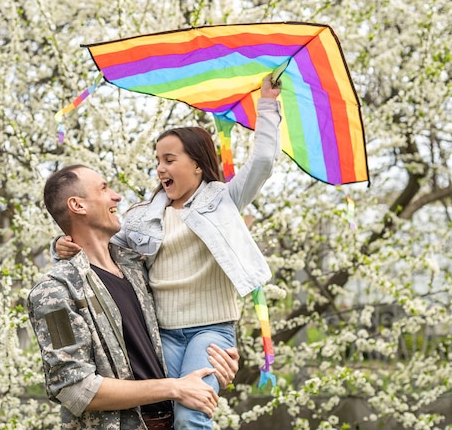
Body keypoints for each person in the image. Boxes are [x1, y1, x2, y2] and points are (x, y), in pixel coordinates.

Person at [57, 75, 282, 429]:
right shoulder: (142, 217)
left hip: (209, 331)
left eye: (170, 159)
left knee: (192, 414)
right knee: (161, 415)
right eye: (157, 160)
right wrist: (61, 246)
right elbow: (98, 244)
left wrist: (268, 103)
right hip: (161, 333)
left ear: (196, 164)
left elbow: (264, 161)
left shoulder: (224, 200)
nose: (160, 168)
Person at [28, 165, 240, 430]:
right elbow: (74, 388)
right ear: (77, 205)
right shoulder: (53, 293)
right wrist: (174, 388)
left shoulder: (139, 268)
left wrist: (213, 370)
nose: (117, 196)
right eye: (104, 188)